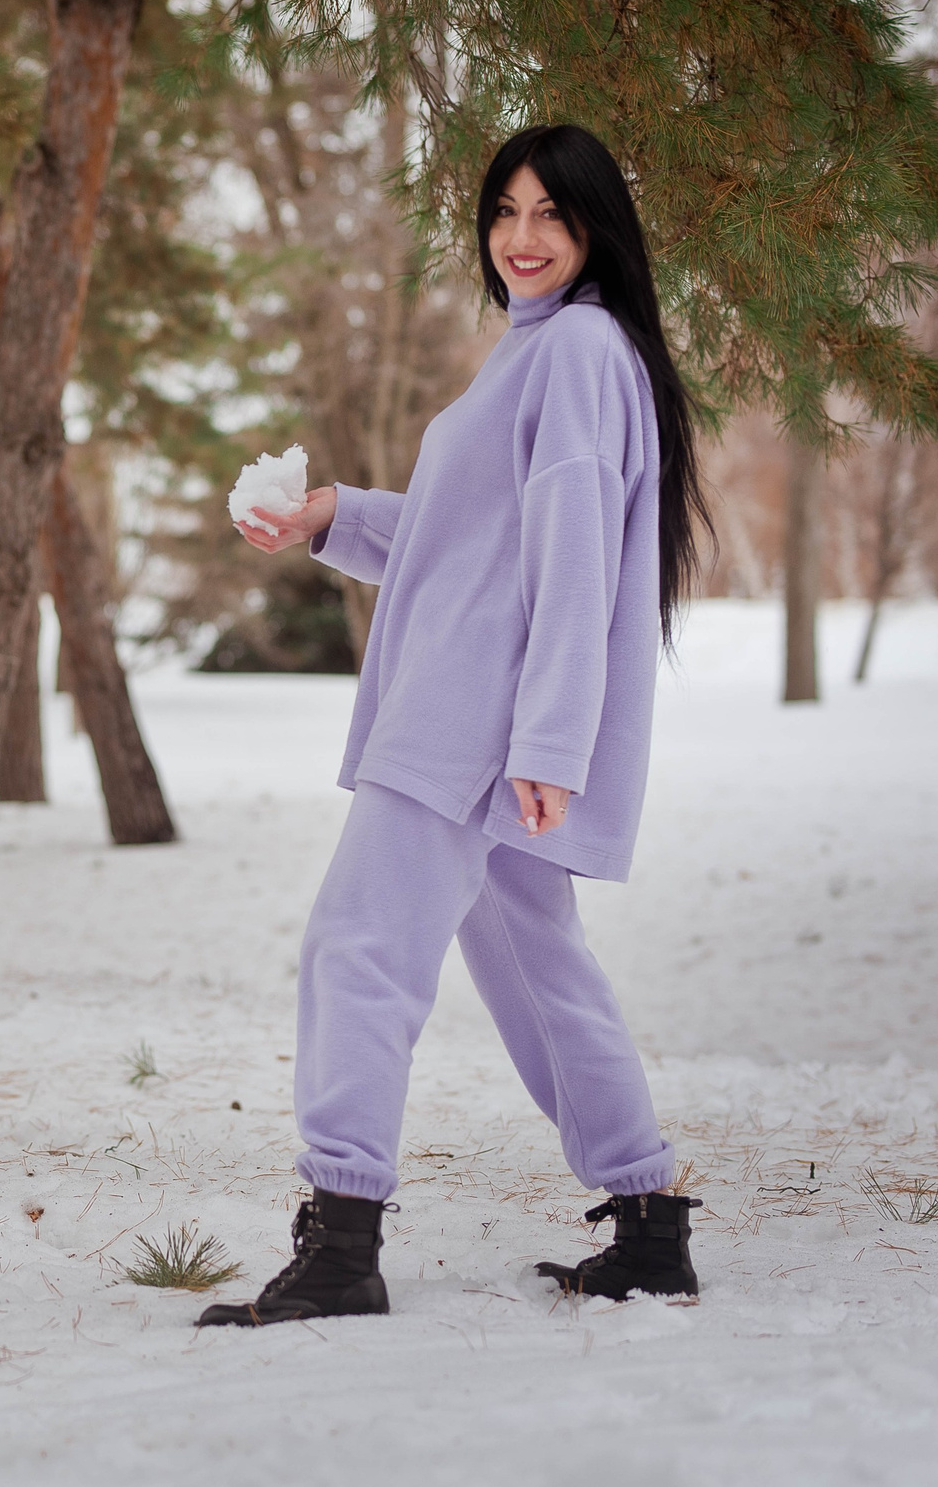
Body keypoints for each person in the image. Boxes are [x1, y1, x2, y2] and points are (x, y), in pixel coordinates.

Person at [197, 125, 714, 1327]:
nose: (521, 238)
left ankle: (339, 1238)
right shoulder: (539, 352)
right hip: (491, 713)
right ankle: (646, 1222)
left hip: (473, 722)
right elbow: (463, 539)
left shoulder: (578, 348)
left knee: (358, 949)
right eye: (504, 212)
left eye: (550, 214)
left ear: (595, 232)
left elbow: (572, 559)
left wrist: (547, 744)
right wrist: (331, 516)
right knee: (539, 967)